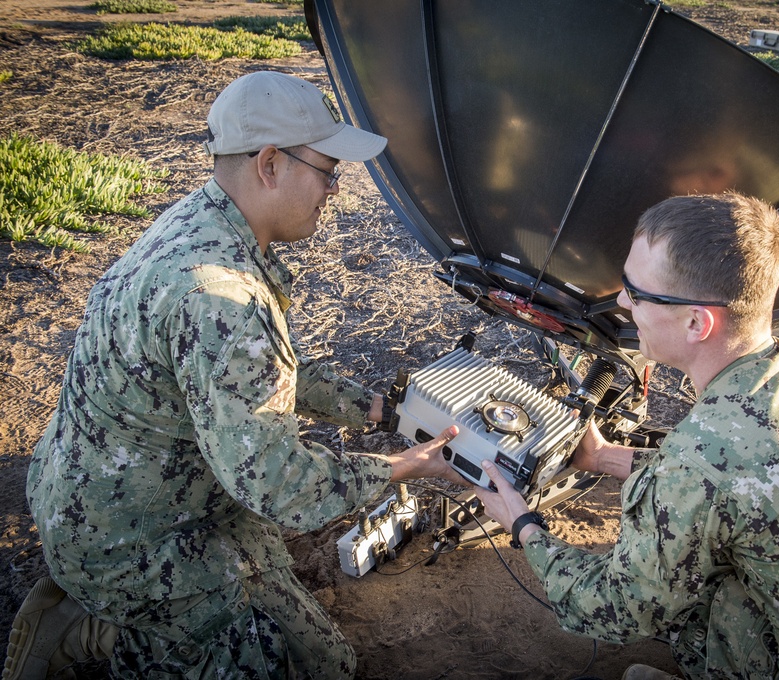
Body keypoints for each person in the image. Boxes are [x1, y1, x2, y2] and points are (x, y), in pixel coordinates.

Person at [5, 71, 460, 679]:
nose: (334, 189)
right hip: (127, 540)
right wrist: (409, 466)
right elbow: (282, 487)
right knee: (293, 667)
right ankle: (98, 628)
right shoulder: (220, 297)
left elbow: (265, 373)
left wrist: (376, 409)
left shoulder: (207, 225)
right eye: (327, 170)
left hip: (129, 493)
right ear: (270, 164)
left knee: (325, 658)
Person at [475, 192, 779, 678]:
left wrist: (523, 526)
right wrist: (605, 458)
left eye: (637, 292)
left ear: (696, 322)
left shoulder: (705, 455)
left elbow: (613, 609)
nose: (622, 302)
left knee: (689, 594)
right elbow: (752, 489)